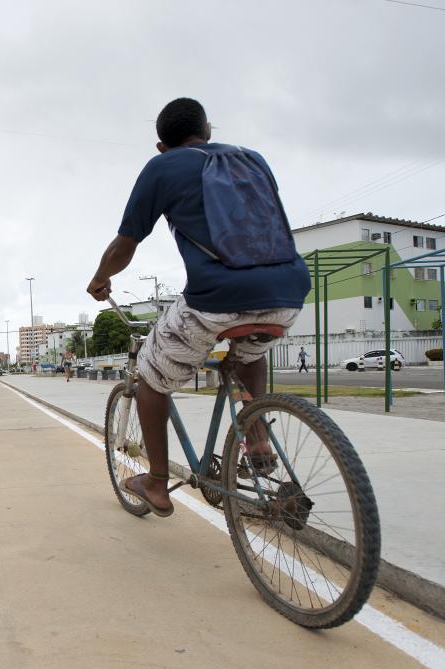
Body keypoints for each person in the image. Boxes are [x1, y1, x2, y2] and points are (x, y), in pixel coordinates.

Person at [86, 97, 310, 517]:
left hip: (217, 297)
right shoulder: (253, 160)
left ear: (161, 146)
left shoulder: (162, 167)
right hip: (288, 290)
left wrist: (100, 278)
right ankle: (257, 437)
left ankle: (156, 482)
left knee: (151, 377)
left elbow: (125, 244)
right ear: (208, 131)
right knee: (250, 353)